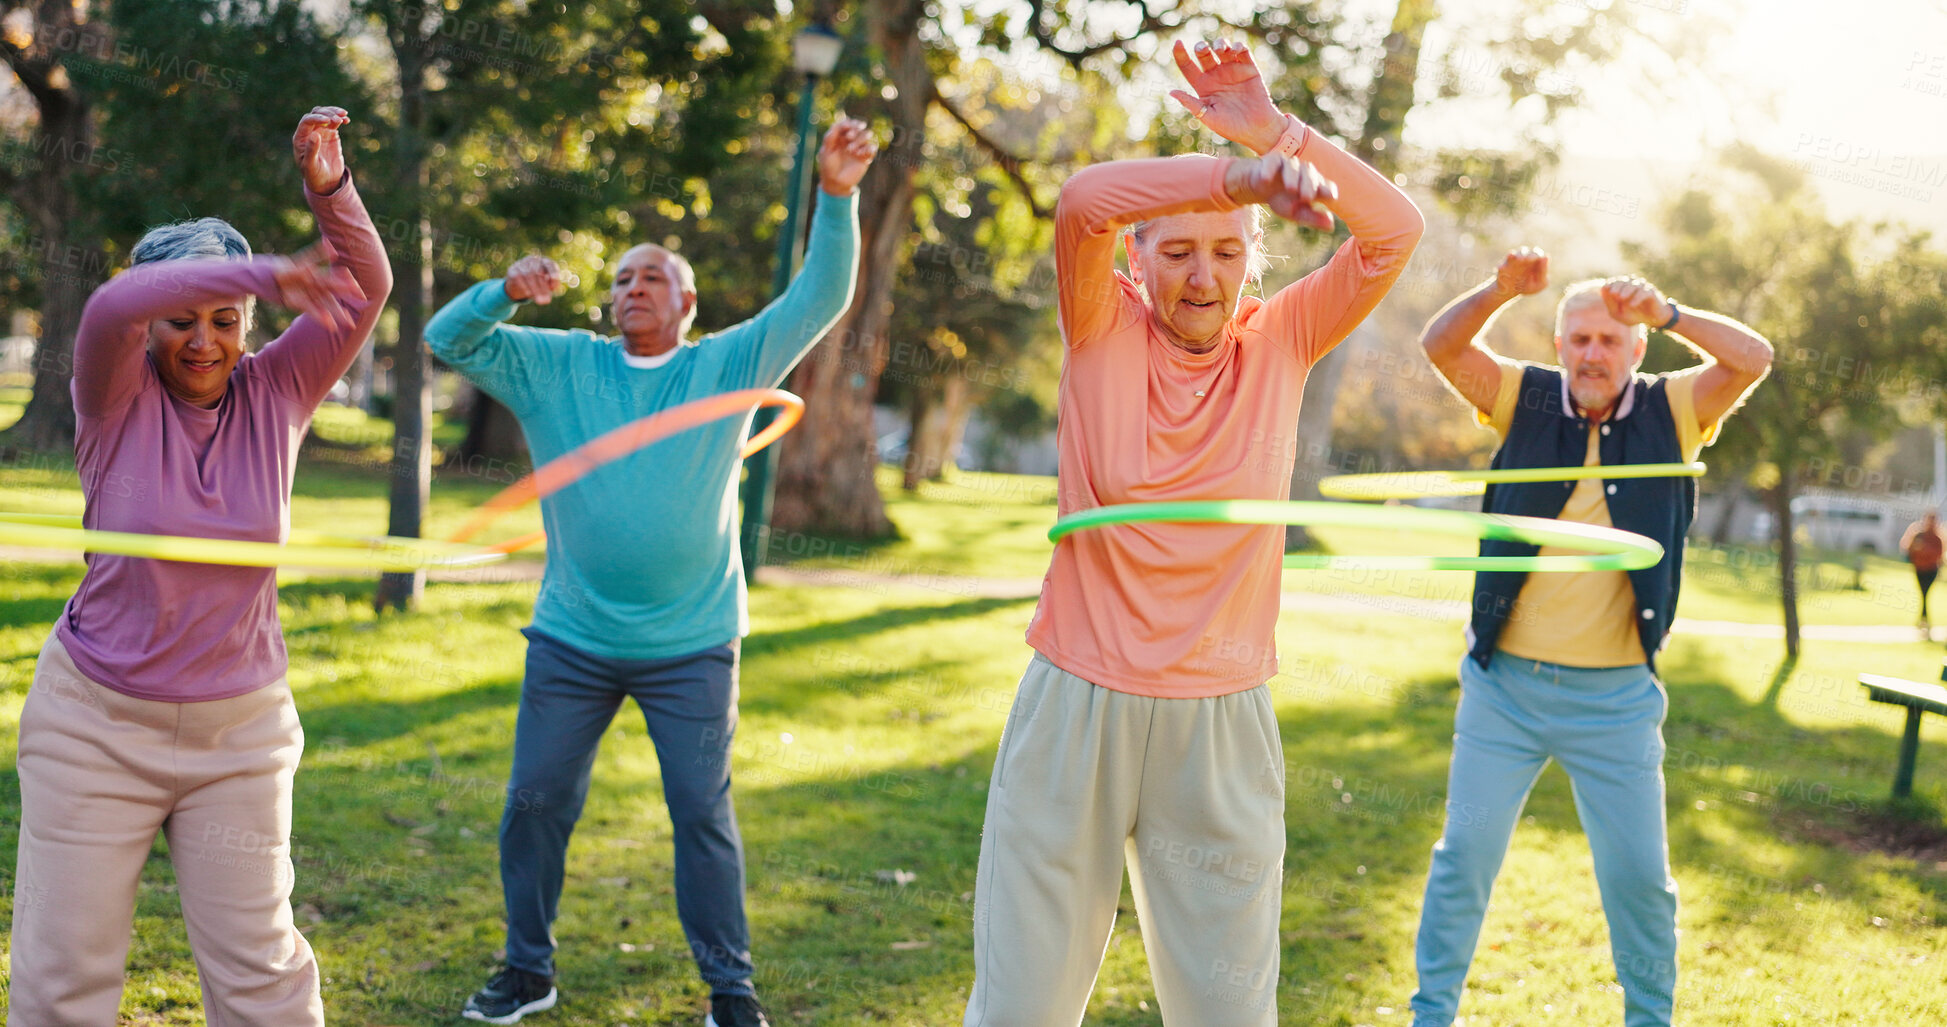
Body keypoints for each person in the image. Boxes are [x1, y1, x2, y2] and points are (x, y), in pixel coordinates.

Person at [964, 40, 1423, 1025]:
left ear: (1253, 266)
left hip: (1221, 714)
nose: (1202, 277)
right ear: (1137, 261)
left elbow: (1394, 232)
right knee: (1021, 1005)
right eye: (1176, 251)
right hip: (1075, 704)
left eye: (1226, 251)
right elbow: (1084, 197)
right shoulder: (1099, 325)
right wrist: (1239, 174)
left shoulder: (1285, 342)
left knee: (1229, 1010)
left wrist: (1279, 135)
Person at [434, 119, 876, 1027]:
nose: (634, 285)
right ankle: (526, 968)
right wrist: (500, 292)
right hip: (573, 637)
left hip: (692, 643)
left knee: (700, 815)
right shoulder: (558, 364)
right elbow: (451, 340)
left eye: (653, 275)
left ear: (687, 301)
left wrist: (836, 195)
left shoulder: (725, 365)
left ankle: (730, 990)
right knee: (534, 803)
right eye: (621, 277)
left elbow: (820, 296)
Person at [7, 107, 387, 1025]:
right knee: (62, 977)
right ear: (151, 325)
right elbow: (106, 306)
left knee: (261, 974)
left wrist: (328, 187)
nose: (205, 340)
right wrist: (262, 269)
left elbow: (366, 287)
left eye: (227, 319)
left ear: (251, 324)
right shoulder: (110, 395)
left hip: (239, 731)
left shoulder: (281, 389)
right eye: (181, 318)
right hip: (94, 723)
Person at [1409, 245, 1774, 1027]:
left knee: (1640, 877)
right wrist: (1500, 290)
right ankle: (1428, 1016)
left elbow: (1753, 356)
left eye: (1610, 340)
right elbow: (1439, 345)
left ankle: (1649, 1019)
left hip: (1614, 701)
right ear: (1558, 347)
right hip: (1502, 689)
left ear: (1636, 349)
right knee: (1461, 861)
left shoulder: (1669, 409)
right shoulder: (1525, 398)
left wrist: (1670, 313)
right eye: (1579, 339)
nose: (1593, 354)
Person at [1901, 511, 1942, 629]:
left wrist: (1925, 550)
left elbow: (1938, 554)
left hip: (1931, 569)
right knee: (1923, 594)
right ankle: (1924, 619)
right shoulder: (1918, 534)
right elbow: (1908, 549)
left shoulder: (1937, 538)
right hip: (1919, 568)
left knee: (1925, 593)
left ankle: (1923, 619)